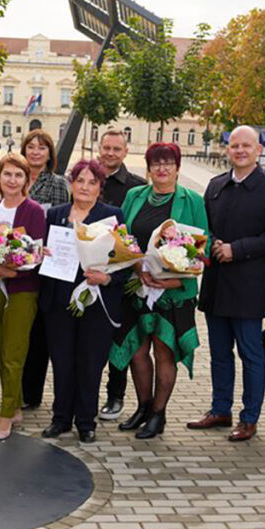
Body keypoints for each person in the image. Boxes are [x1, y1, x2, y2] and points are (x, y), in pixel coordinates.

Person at [188, 125, 265, 442]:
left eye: (247, 146)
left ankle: (249, 418)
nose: (240, 151)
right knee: (219, 353)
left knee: (250, 355)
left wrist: (237, 249)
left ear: (258, 150)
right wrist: (215, 242)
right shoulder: (216, 185)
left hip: (248, 287)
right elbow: (202, 227)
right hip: (216, 285)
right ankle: (221, 409)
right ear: (228, 150)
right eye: (234, 146)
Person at [109, 143, 207, 440]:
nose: (162, 169)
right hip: (136, 286)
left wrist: (172, 279)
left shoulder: (192, 200)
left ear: (177, 167)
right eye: (156, 164)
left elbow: (201, 246)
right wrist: (135, 266)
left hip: (173, 292)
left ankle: (159, 414)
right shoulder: (134, 196)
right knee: (138, 352)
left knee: (164, 351)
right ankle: (143, 406)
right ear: (148, 168)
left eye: (168, 163)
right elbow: (122, 236)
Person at [39, 159, 125, 443]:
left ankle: (86, 421)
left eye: (92, 182)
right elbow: (42, 252)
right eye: (80, 181)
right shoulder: (55, 214)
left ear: (100, 187)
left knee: (90, 364)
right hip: (59, 302)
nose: (85, 187)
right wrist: (43, 255)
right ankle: (60, 418)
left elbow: (124, 262)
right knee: (62, 363)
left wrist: (107, 279)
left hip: (96, 301)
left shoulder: (112, 217)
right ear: (71, 184)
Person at [0, 153, 46, 441]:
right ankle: (16, 405)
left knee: (14, 353)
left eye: (18, 175)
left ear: (26, 180)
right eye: (7, 174)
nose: (12, 180)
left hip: (22, 288)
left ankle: (6, 415)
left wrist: (13, 274)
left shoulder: (33, 211)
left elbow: (35, 255)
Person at [95, 128, 146, 422]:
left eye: (117, 148)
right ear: (99, 148)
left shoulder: (136, 188)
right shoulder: (87, 180)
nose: (111, 153)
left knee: (119, 339)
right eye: (107, 147)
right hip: (89, 275)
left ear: (125, 152)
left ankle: (115, 396)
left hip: (122, 278)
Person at [21, 129, 69, 410]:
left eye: (42, 148)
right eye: (31, 147)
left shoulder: (58, 183)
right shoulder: (16, 176)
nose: (36, 152)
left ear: (50, 154)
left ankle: (32, 394)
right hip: (16, 265)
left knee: (39, 335)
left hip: (46, 266)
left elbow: (62, 224)